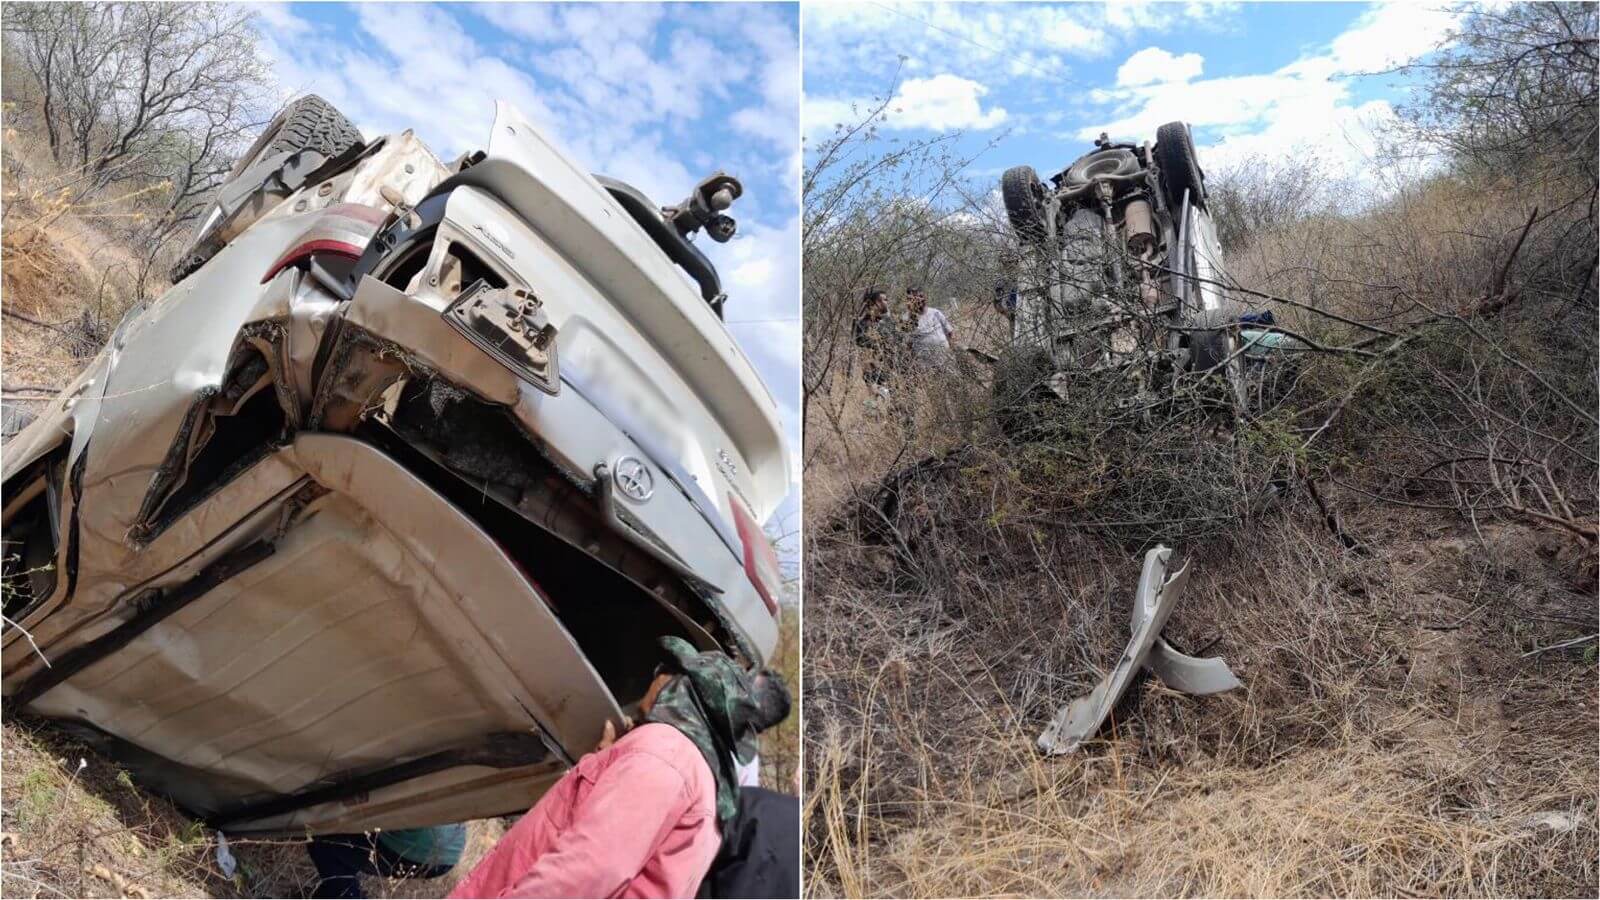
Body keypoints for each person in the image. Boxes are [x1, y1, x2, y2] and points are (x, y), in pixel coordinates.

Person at [448, 637, 791, 899]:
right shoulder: (703, 777)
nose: (651, 678)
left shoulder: (665, 755)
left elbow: (585, 870)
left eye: (662, 670)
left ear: (679, 686)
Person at [307, 824, 466, 899]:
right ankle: (335, 890)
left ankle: (344, 894)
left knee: (322, 841)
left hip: (415, 851)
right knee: (347, 849)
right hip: (452, 849)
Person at [852, 288, 897, 402]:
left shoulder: (887, 322)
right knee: (875, 400)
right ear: (873, 304)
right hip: (873, 369)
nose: (884, 303)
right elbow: (860, 342)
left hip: (890, 369)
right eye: (880, 300)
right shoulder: (864, 323)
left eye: (886, 300)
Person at [903, 287, 955, 360]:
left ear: (925, 297)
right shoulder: (907, 318)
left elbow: (950, 333)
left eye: (921, 296)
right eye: (915, 297)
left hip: (944, 359)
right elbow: (908, 343)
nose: (919, 299)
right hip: (923, 362)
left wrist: (952, 352)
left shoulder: (936, 313)